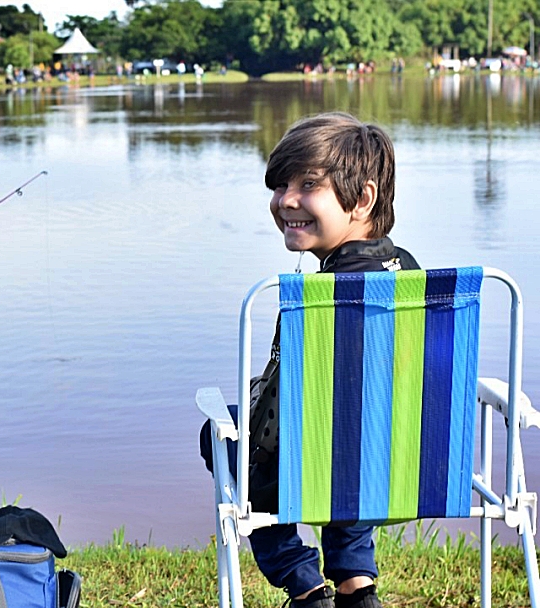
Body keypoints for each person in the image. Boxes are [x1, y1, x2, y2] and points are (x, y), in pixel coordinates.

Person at [200, 112, 418, 608]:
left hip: (317, 463)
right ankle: (356, 582)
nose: (285, 201)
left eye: (308, 185)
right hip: (401, 465)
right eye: (281, 186)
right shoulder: (414, 277)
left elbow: (279, 420)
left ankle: (303, 585)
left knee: (229, 434)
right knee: (361, 434)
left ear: (362, 198)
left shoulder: (316, 299)